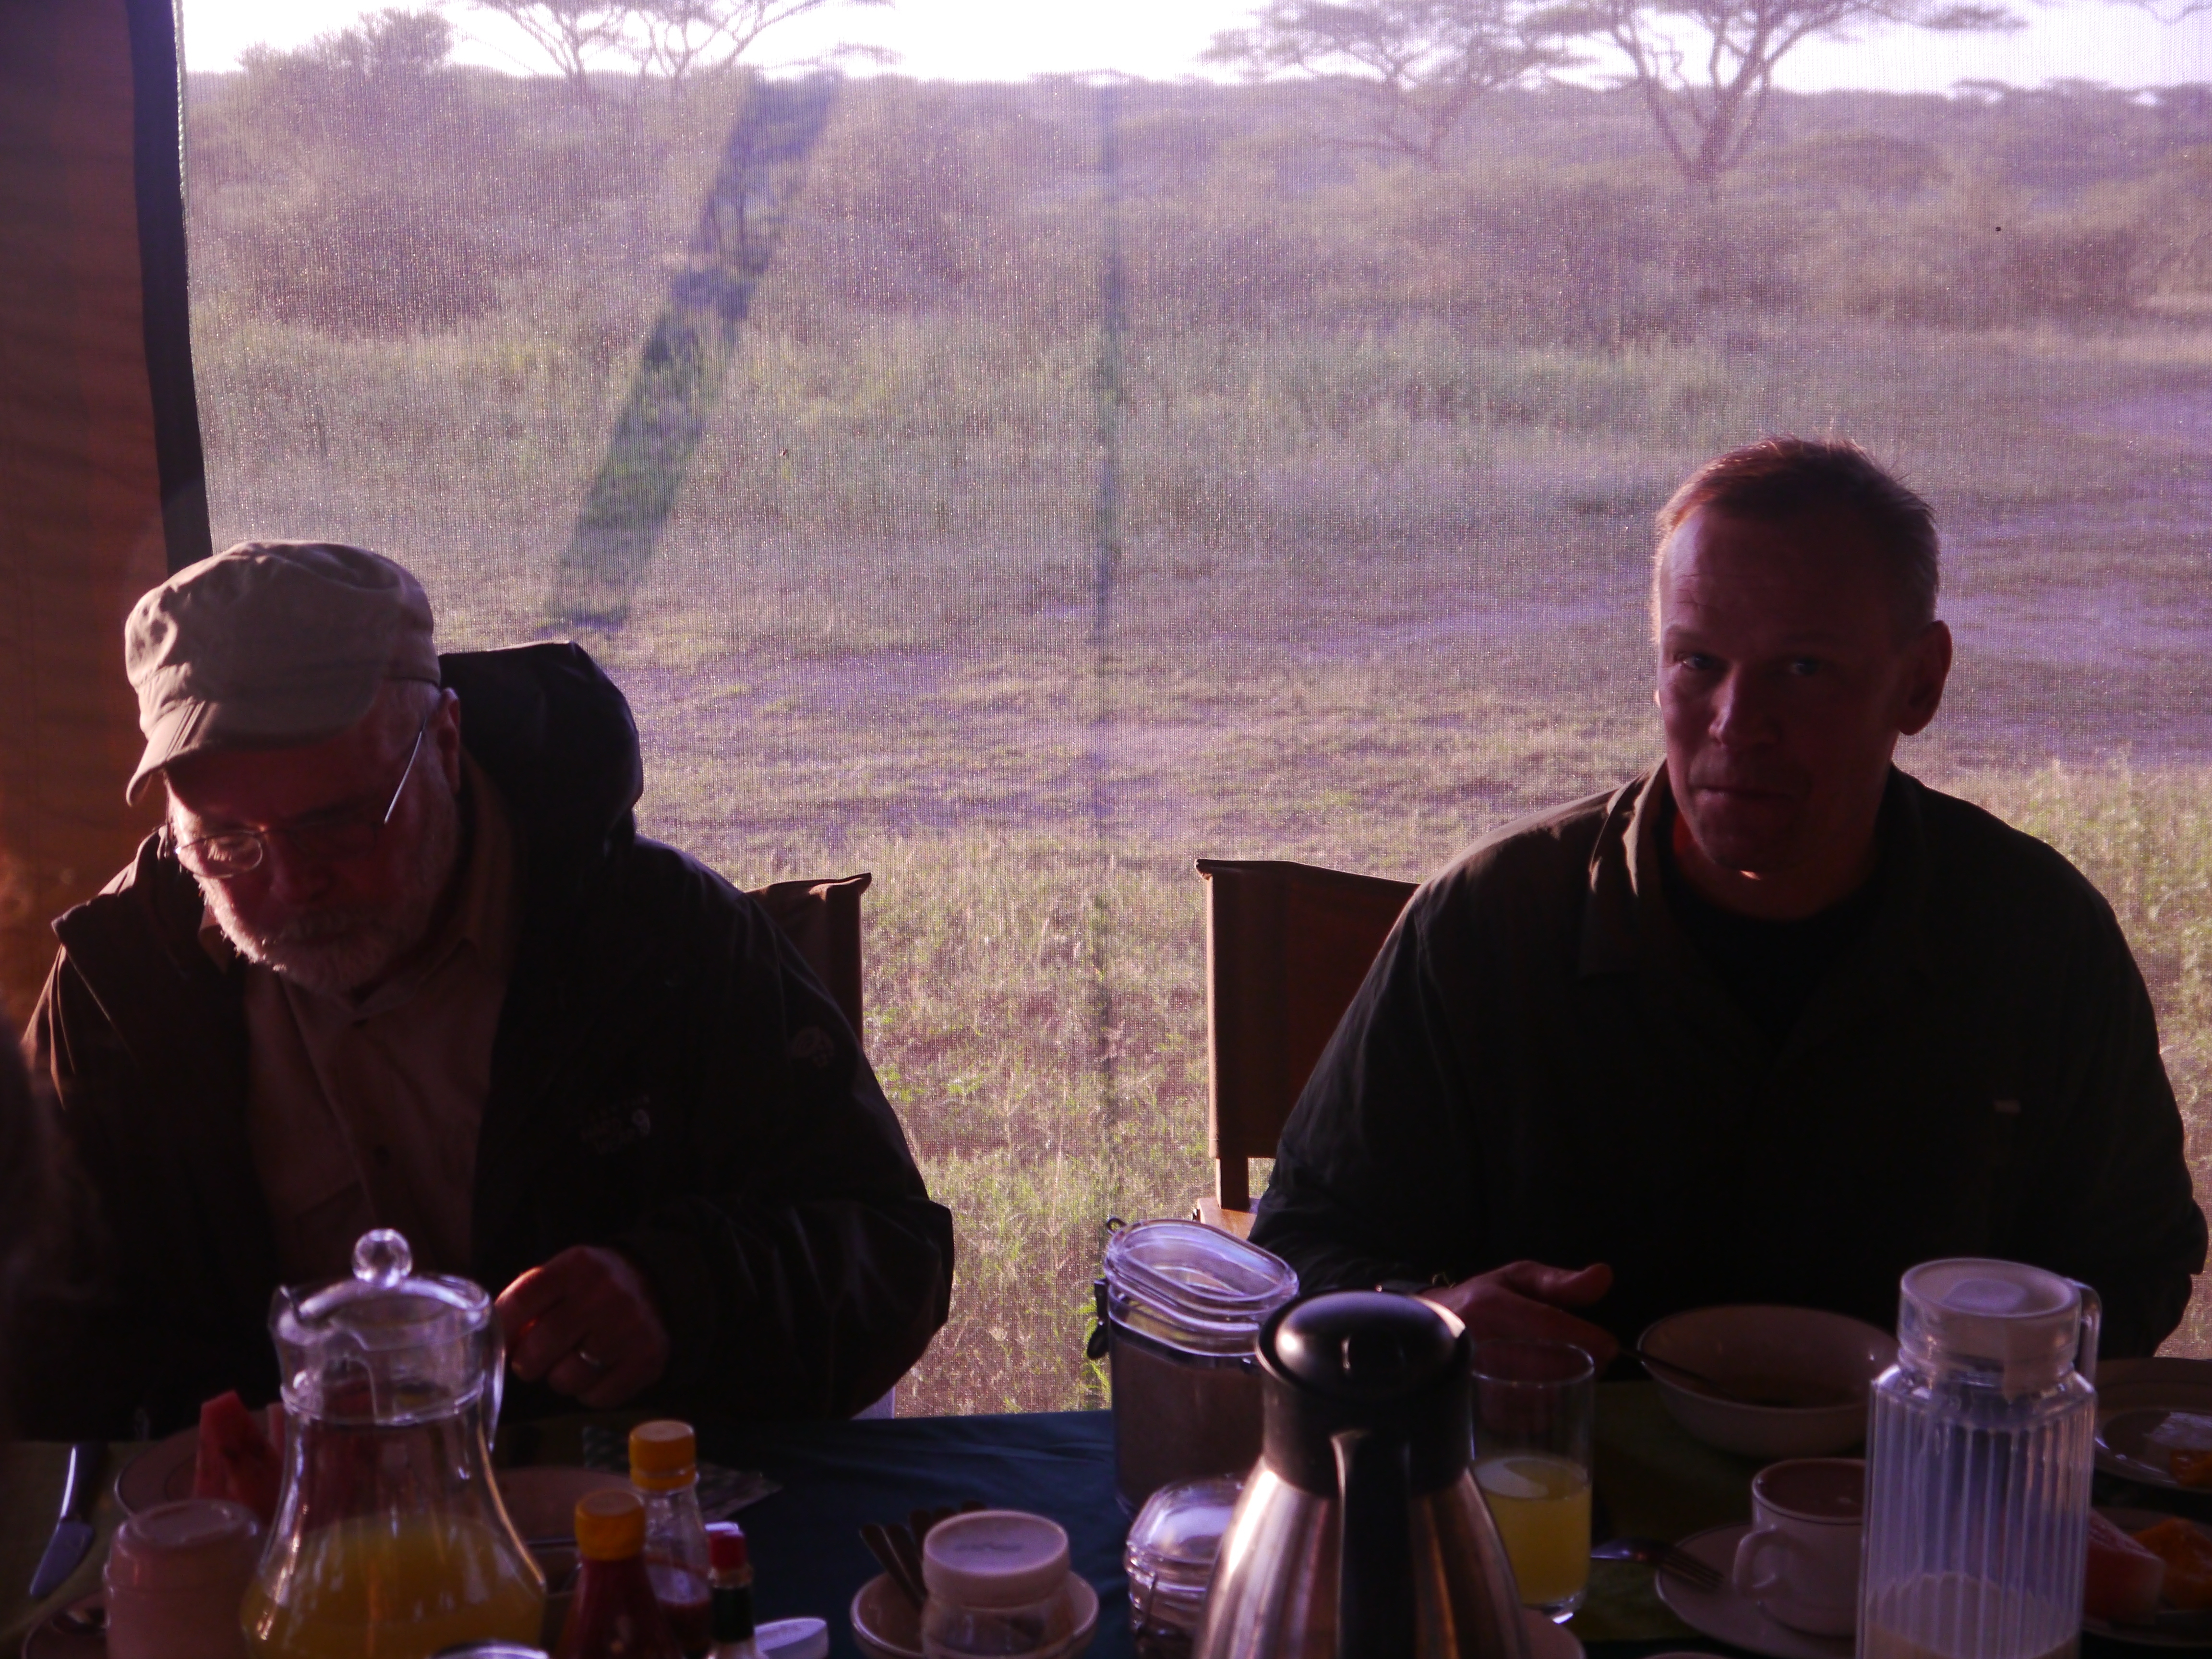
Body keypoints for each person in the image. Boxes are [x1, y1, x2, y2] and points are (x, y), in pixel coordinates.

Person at [1251, 438, 2206, 1363]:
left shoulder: (2034, 938)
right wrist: (1438, 1316)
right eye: (1698, 661)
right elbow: (1303, 1241)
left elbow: (2138, 1259)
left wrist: (1998, 1380)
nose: (1737, 725)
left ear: (1920, 682)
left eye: (1803, 668)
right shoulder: (1491, 925)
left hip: (1908, 1491)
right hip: (1561, 1501)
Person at [16, 541, 954, 1437]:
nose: (292, 884)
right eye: (227, 843)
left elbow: (888, 1252)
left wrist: (682, 1294)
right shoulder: (121, 992)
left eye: (341, 825)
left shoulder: (655, 939)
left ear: (446, 740)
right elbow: (38, 1327)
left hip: (611, 1523)